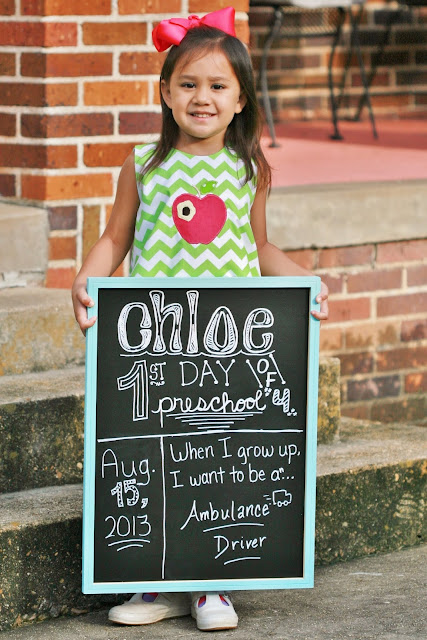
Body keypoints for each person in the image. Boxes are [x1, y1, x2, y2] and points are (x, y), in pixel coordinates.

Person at [72, 6, 329, 632]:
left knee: (216, 455)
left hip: (228, 344)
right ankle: (155, 579)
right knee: (156, 453)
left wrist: (304, 281)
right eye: (187, 84)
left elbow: (260, 247)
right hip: (156, 341)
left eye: (217, 86)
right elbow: (115, 237)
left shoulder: (249, 169)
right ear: (165, 92)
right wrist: (87, 277)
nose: (202, 97)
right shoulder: (143, 164)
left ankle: (211, 583)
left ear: (240, 100)